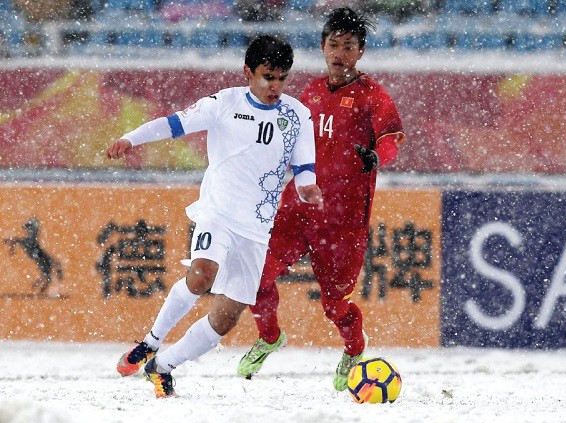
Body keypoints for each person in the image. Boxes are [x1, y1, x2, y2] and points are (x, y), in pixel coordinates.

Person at [108, 34, 323, 398]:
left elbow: (304, 166)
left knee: (226, 319)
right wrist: (132, 138)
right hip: (218, 214)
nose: (275, 86)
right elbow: (174, 123)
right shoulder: (223, 103)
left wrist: (307, 186)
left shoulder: (297, 115)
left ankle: (162, 366)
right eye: (267, 76)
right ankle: (150, 341)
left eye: (282, 78)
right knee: (201, 274)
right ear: (248, 72)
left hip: (256, 229)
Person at [237, 7, 405, 392]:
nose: (340, 53)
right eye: (334, 44)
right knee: (254, 278)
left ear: (360, 52)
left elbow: (392, 139)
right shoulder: (309, 92)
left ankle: (353, 349)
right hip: (297, 209)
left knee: (336, 306)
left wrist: (377, 157)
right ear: (322, 47)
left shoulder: (372, 96)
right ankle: (269, 336)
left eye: (349, 46)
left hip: (342, 222)